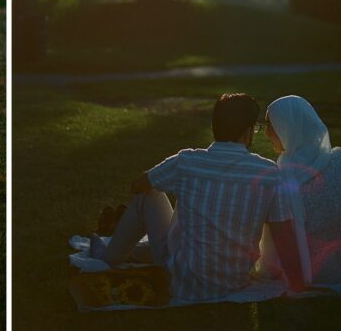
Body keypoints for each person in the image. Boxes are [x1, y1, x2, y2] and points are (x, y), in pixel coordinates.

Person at [89, 93, 307, 299]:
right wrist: (298, 285)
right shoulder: (269, 173)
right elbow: (284, 237)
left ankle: (108, 257)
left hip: (181, 282)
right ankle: (125, 247)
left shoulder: (186, 162)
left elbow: (138, 185)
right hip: (234, 282)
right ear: (247, 131)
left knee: (148, 195)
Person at [259, 95, 341, 285]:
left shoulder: (281, 176)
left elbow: (281, 232)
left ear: (287, 127)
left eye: (270, 126)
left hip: (316, 268)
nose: (266, 134)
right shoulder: (340, 158)